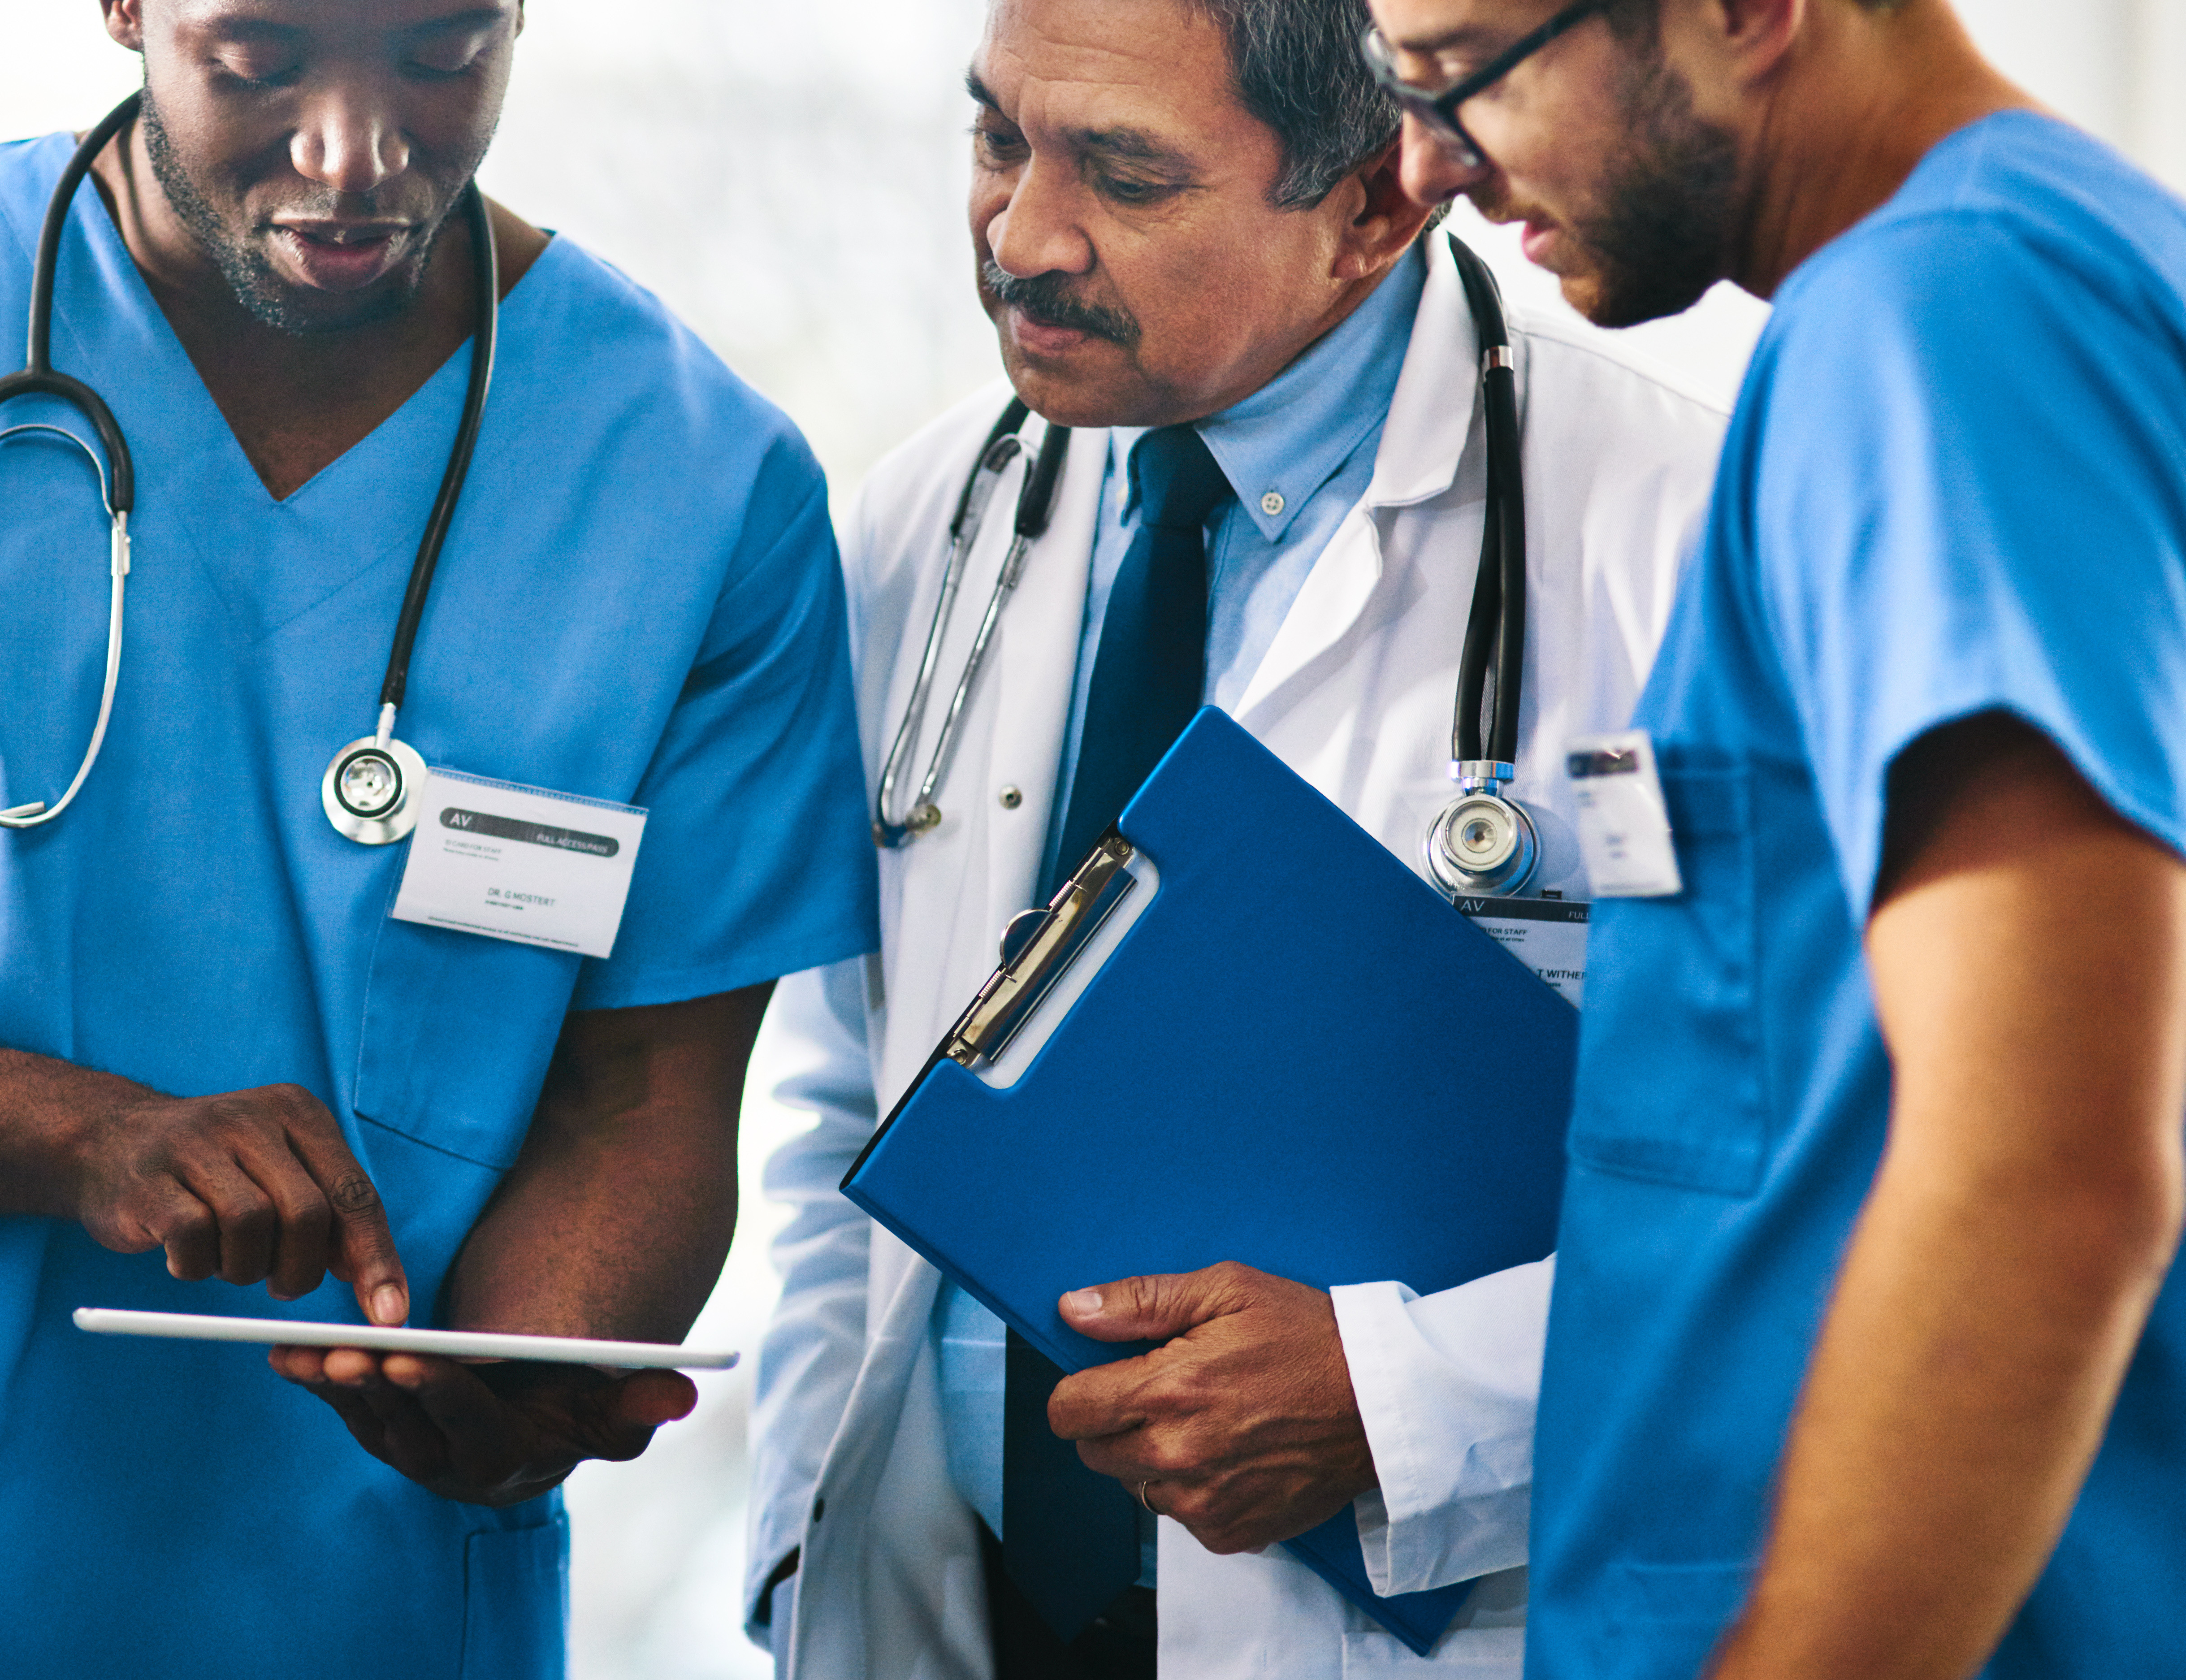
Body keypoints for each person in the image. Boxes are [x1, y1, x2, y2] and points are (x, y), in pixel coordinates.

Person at [0, 0, 879, 1673]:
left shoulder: (694, 479)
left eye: (444, 55)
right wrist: (70, 1131)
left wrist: (526, 1366)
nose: (355, 151)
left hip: (379, 1592)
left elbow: (651, 1102)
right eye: (261, 56)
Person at [745, 0, 1731, 1673]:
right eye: (996, 138)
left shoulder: (1673, 543)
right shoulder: (918, 530)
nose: (1020, 234)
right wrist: (800, 1538)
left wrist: (1411, 1403)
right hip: (964, 1613)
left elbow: (1825, 1173)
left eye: (1122, 175)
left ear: (1377, 201)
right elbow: (848, 1092)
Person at [1357, 0, 2186, 1675]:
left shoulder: (1949, 320)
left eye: (1459, 72)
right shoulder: (2042, 270)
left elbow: (2049, 1170)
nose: (1425, 162)